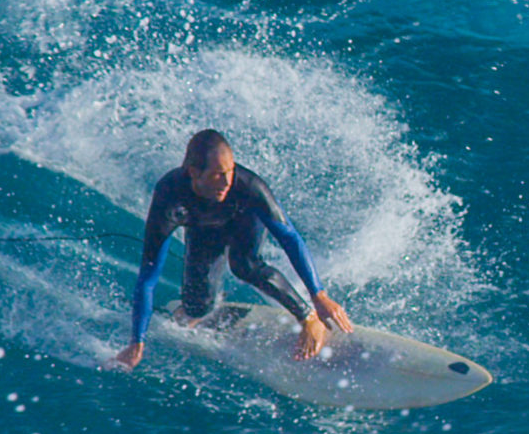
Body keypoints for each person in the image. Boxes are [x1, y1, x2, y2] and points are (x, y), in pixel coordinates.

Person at [112, 129, 353, 369]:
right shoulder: (170, 196)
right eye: (218, 174)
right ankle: (199, 304)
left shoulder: (249, 186)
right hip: (203, 228)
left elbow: (290, 238)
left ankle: (308, 318)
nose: (227, 181)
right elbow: (148, 276)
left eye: (230, 171)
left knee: (245, 265)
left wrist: (318, 295)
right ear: (194, 172)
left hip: (244, 218)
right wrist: (137, 343)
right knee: (198, 308)